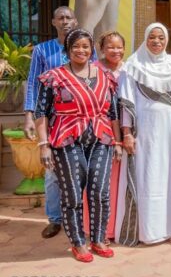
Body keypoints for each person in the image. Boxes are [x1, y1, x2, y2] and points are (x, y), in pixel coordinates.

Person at [34, 29, 122, 262]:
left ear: (92, 49)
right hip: (66, 139)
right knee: (72, 194)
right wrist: (44, 145)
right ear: (67, 49)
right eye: (76, 46)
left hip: (102, 138)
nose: (81, 50)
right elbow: (41, 112)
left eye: (85, 46)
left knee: (100, 192)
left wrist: (117, 141)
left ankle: (98, 239)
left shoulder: (105, 76)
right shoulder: (53, 77)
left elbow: (113, 112)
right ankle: (78, 242)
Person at [116, 23, 171, 246]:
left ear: (167, 40)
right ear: (145, 39)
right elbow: (126, 102)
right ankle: (147, 230)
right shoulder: (133, 65)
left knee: (170, 175)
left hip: (170, 132)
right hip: (144, 131)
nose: (156, 41)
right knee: (147, 175)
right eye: (152, 37)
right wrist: (127, 133)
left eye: (161, 37)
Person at [24, 6, 89, 239]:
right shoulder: (42, 50)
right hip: (50, 120)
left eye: (68, 17)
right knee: (52, 171)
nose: (65, 21)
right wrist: (29, 115)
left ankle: (80, 216)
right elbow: (33, 83)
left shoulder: (84, 49)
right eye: (60, 18)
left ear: (76, 21)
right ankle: (55, 219)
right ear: (53, 22)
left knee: (82, 168)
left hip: (80, 120)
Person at [82, 32, 126, 242]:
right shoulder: (93, 70)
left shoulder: (129, 69)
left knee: (120, 182)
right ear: (101, 49)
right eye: (110, 47)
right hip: (101, 132)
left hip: (127, 130)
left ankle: (118, 227)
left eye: (119, 47)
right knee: (99, 181)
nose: (115, 51)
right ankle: (97, 230)